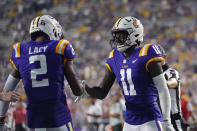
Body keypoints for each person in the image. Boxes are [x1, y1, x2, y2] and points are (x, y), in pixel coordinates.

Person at [77, 16, 175, 131]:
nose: (117, 39)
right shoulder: (114, 57)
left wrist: (167, 121)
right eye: (116, 36)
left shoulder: (147, 52)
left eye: (121, 35)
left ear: (134, 34)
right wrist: (85, 89)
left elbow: (162, 90)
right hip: (129, 122)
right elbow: (102, 92)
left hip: (150, 120)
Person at [0, 15, 84, 131]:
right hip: (58, 119)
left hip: (35, 122)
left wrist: (1, 120)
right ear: (52, 30)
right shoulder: (60, 47)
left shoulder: (21, 50)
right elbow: (76, 90)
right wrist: (81, 88)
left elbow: (7, 91)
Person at [158, 45, 185, 131]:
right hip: (160, 118)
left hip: (174, 117)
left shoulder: (171, 71)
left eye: (157, 57)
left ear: (164, 56)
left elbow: (173, 82)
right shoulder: (152, 75)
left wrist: (161, 85)